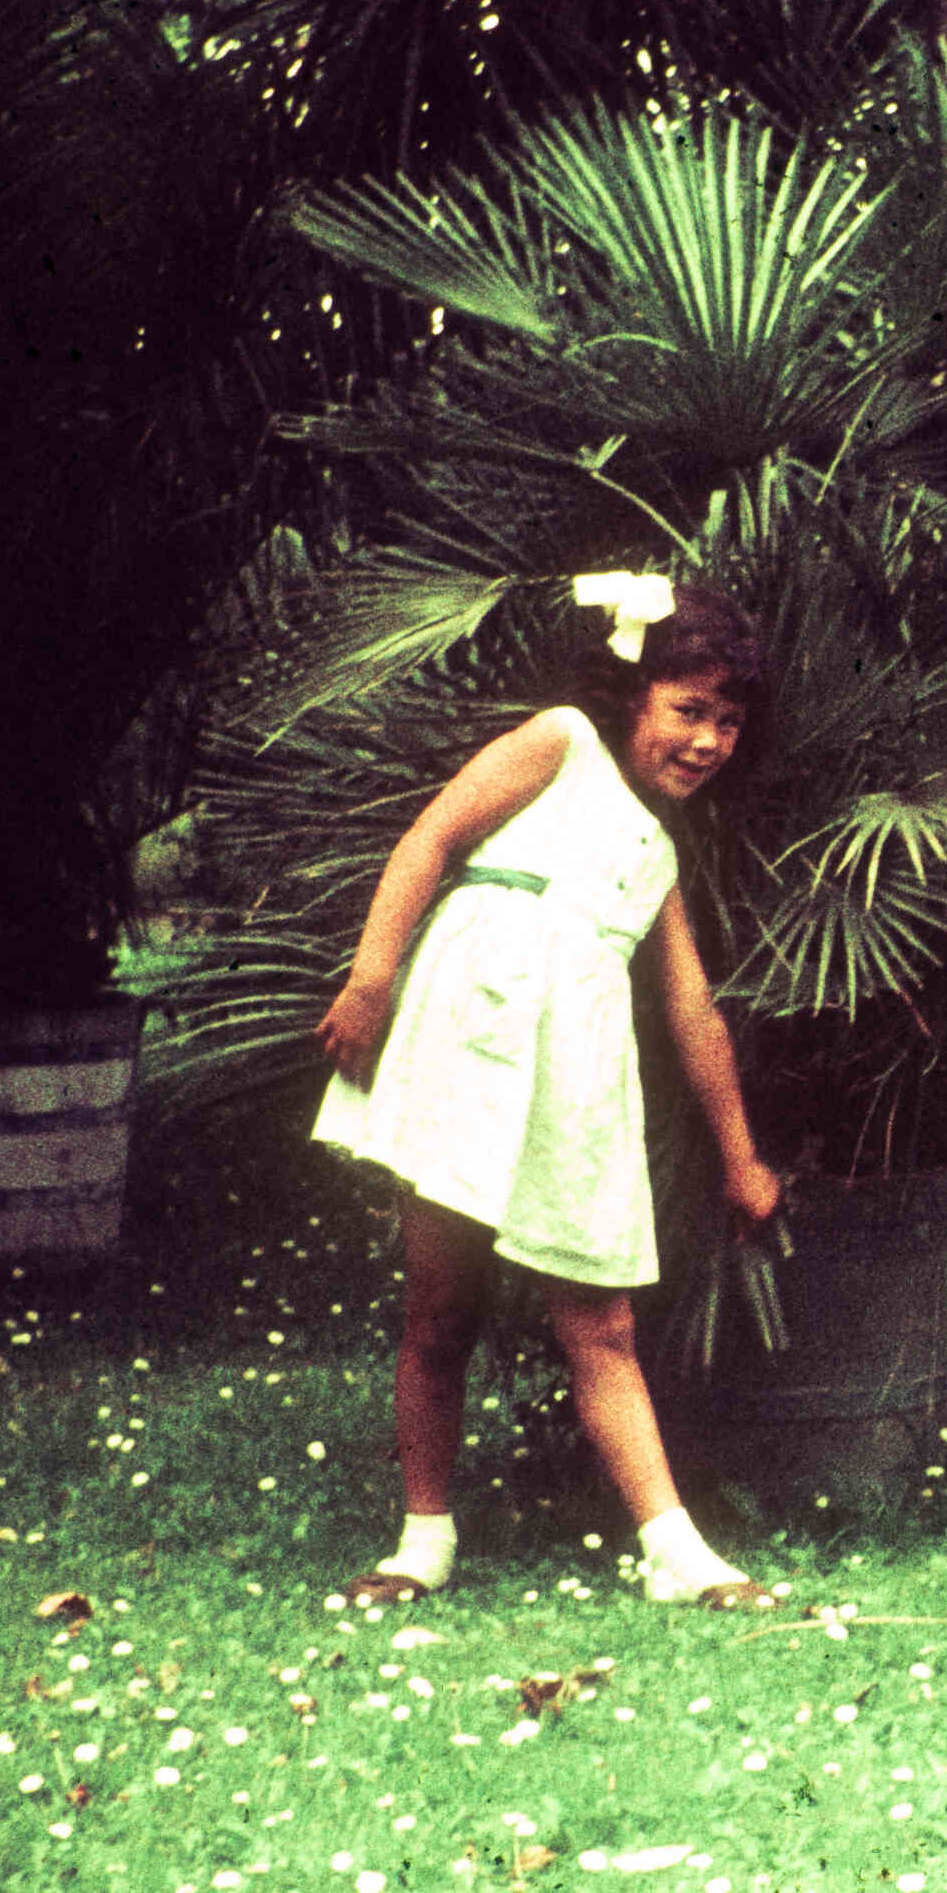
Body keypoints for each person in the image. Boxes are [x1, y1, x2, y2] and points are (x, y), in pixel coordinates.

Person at [313, 574, 784, 1609]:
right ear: (635, 696)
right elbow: (430, 839)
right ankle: (419, 1542)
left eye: (728, 723)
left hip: (573, 1080)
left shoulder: (656, 849)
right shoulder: (561, 740)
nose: (707, 740)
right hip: (468, 1038)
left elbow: (692, 1013)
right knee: (439, 1308)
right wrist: (372, 979)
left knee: (598, 1319)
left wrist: (741, 1156)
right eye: (689, 710)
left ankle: (677, 1554)